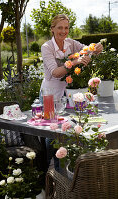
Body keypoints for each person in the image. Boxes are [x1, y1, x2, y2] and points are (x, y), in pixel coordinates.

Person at [40, 14, 103, 172]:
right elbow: (55, 72)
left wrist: (94, 49)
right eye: (60, 27)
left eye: (66, 28)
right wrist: (75, 62)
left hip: (67, 93)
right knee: (51, 133)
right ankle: (49, 170)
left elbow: (86, 49)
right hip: (49, 95)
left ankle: (62, 171)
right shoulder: (47, 47)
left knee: (67, 129)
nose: (63, 31)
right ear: (52, 29)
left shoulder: (70, 43)